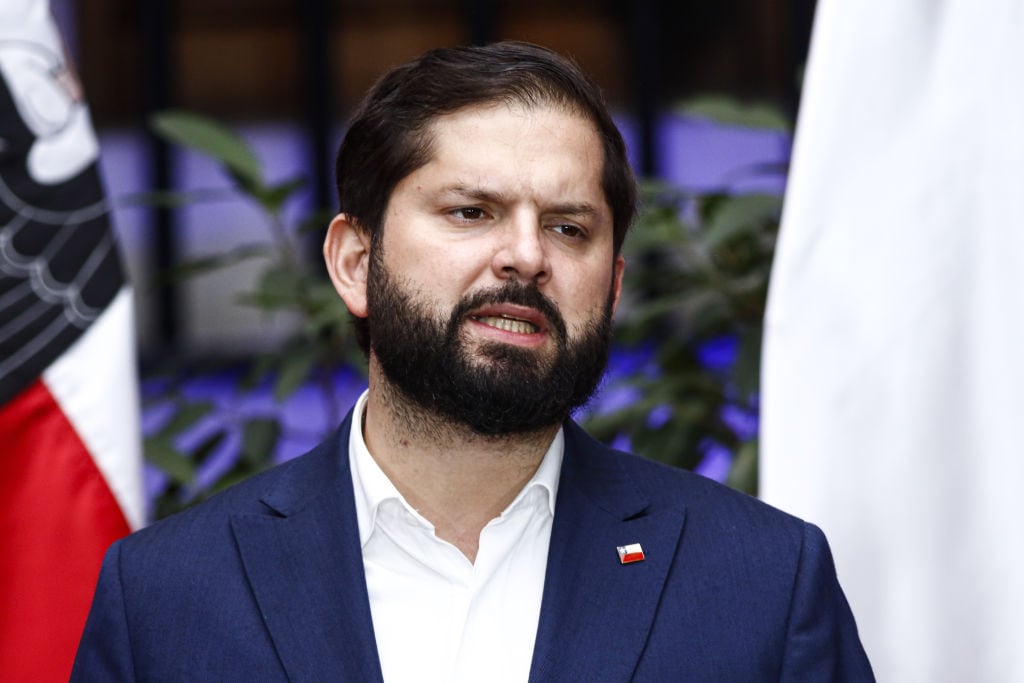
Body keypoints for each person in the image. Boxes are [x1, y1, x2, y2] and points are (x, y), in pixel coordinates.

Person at [72, 42, 873, 681]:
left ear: (615, 284)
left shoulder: (762, 584)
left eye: (568, 227)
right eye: (471, 211)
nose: (525, 256)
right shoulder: (167, 597)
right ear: (355, 262)